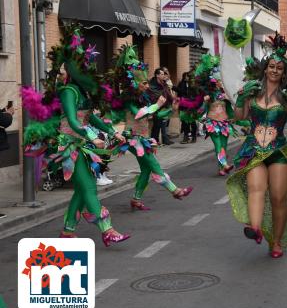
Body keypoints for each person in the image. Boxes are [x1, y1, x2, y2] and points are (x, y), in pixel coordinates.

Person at [22, 27, 130, 246]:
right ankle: (107, 230)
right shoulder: (69, 91)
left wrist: (112, 132)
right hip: (70, 146)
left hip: (84, 144)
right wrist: (92, 136)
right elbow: (73, 121)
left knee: (82, 189)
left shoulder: (85, 92)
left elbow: (91, 118)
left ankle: (68, 230)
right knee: (88, 186)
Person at [226, 33, 287, 259]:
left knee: (278, 198)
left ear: (284, 73)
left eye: (279, 68)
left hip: (278, 151)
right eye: (271, 66)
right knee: (256, 188)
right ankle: (255, 228)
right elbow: (239, 116)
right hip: (253, 149)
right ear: (265, 68)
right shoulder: (252, 90)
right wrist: (241, 98)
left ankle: (277, 241)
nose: (274, 70)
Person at [103, 45, 193, 211]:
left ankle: (136, 199)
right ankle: (175, 190)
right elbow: (139, 114)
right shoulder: (129, 99)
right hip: (133, 139)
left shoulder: (143, 97)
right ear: (135, 83)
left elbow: (155, 116)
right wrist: (157, 105)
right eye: (144, 83)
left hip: (143, 138)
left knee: (145, 170)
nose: (147, 85)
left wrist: (170, 109)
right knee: (154, 165)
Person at [150, 68, 174, 145]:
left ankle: (160, 140)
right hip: (156, 107)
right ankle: (154, 141)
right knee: (156, 125)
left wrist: (172, 99)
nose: (164, 75)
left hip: (165, 107)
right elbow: (154, 95)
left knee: (162, 124)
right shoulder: (152, 84)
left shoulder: (164, 83)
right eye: (162, 74)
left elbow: (167, 93)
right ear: (157, 75)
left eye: (164, 74)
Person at [176, 71, 199, 144]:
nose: (186, 78)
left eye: (188, 76)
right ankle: (185, 137)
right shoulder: (181, 83)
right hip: (183, 105)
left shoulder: (194, 85)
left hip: (191, 105)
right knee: (185, 122)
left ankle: (194, 136)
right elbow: (180, 92)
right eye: (185, 76)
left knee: (192, 122)